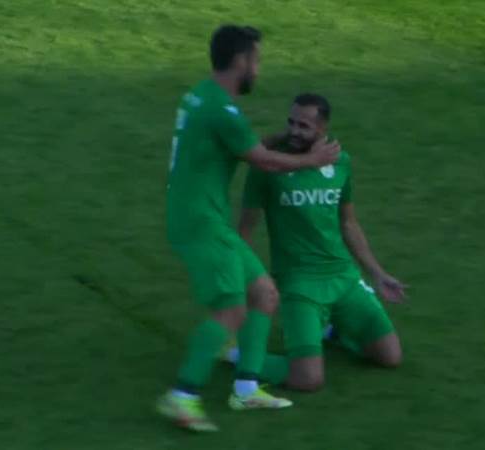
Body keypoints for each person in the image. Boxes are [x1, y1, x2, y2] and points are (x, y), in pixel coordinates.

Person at [157, 27, 340, 432]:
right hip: (201, 223)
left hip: (201, 217)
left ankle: (246, 388)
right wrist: (312, 160)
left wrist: (280, 138)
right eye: (256, 60)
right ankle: (183, 395)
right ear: (241, 61)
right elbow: (263, 160)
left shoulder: (201, 95)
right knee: (231, 309)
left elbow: (242, 145)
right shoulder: (222, 110)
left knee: (264, 293)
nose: (258, 69)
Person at [236, 93, 406, 392]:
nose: (294, 131)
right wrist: (252, 281)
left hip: (343, 278)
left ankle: (332, 329)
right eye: (291, 122)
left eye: (304, 126)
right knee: (308, 379)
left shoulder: (340, 163)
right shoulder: (269, 167)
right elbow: (245, 230)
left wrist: (378, 274)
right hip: (299, 285)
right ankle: (239, 356)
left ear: (323, 128)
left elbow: (348, 222)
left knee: (391, 356)